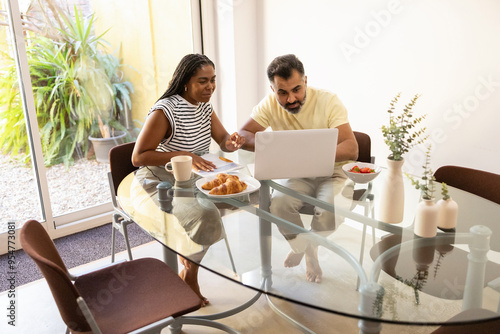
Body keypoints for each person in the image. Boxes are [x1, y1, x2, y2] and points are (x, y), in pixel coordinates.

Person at [132, 53, 245, 306]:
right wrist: (185, 155)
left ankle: (189, 259)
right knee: (206, 216)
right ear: (185, 82)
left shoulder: (205, 106)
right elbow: (138, 157)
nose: (210, 87)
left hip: (194, 178)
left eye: (213, 80)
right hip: (160, 181)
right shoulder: (166, 110)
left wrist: (232, 141)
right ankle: (190, 274)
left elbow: (223, 141)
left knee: (249, 197)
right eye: (202, 81)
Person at [238, 54, 358, 283]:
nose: (291, 98)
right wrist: (270, 144)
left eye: (297, 89)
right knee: (279, 205)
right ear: (273, 90)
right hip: (297, 172)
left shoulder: (328, 100)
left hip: (332, 172)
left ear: (305, 81)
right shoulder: (270, 104)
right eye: (282, 92)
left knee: (329, 212)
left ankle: (304, 248)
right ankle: (309, 250)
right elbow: (243, 134)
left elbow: (351, 148)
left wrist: (311, 153)